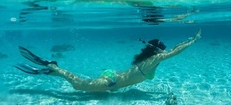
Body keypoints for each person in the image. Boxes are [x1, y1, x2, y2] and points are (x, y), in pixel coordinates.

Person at [14, 29, 202, 92]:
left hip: (113, 78)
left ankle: (52, 71)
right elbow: (176, 51)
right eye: (164, 49)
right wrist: (192, 41)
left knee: (82, 84)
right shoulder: (156, 58)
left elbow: (172, 51)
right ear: (159, 50)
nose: (166, 51)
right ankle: (52, 65)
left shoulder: (150, 59)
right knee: (79, 86)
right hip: (111, 81)